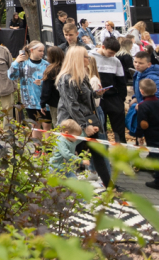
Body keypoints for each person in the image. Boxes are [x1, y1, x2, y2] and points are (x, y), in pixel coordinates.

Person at [56, 47, 113, 188]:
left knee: (98, 152)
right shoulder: (66, 79)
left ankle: (109, 185)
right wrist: (84, 126)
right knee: (67, 154)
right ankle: (62, 186)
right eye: (86, 56)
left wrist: (97, 94)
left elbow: (84, 98)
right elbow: (72, 105)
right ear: (77, 59)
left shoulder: (82, 76)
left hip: (87, 119)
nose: (89, 59)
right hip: (73, 123)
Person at [133, 78, 159, 190]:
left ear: (141, 91)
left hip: (152, 134)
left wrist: (139, 135)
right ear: (156, 89)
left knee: (156, 157)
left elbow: (143, 124)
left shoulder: (143, 105)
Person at [91, 37, 128, 143]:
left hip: (113, 98)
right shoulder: (91, 57)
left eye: (114, 53)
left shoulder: (116, 61)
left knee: (119, 130)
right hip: (98, 99)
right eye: (110, 52)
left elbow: (121, 81)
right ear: (103, 47)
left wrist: (121, 99)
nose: (112, 56)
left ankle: (122, 154)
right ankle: (102, 156)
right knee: (100, 130)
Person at [9, 41, 49, 138]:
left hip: (44, 101)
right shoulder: (23, 65)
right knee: (35, 125)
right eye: (40, 51)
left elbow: (52, 81)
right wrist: (16, 62)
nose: (42, 53)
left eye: (43, 51)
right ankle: (37, 149)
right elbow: (11, 76)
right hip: (29, 101)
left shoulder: (46, 65)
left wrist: (43, 82)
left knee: (47, 125)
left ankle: (48, 149)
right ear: (32, 50)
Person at [132, 51, 159, 117]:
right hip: (146, 109)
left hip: (157, 112)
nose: (137, 65)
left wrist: (143, 104)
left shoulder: (153, 78)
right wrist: (135, 97)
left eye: (141, 63)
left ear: (149, 64)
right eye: (135, 62)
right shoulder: (138, 73)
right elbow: (138, 89)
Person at [40, 47, 64, 124]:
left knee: (57, 123)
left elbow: (46, 89)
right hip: (66, 102)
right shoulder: (65, 68)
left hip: (55, 103)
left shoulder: (51, 70)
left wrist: (42, 103)